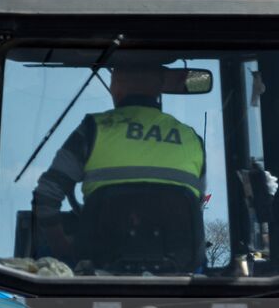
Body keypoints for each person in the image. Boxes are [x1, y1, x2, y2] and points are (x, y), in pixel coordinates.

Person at [31, 65, 205, 266]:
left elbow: (45, 195)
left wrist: (61, 246)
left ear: (115, 87)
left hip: (100, 268)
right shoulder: (192, 139)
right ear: (160, 88)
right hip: (179, 274)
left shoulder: (93, 129)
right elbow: (194, 210)